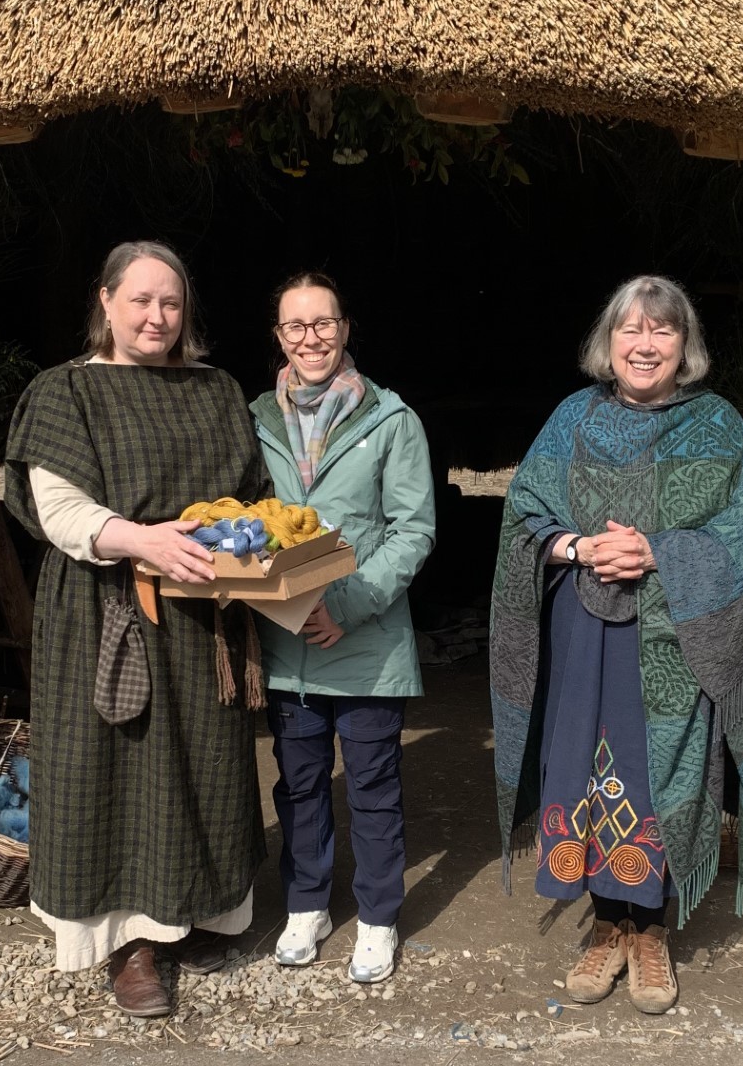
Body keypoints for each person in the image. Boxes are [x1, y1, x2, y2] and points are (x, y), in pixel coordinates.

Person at [489, 275, 743, 1014]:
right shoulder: (570, 421)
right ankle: (606, 927)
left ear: (686, 348)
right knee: (583, 764)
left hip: (674, 633)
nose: (645, 345)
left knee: (655, 769)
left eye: (663, 332)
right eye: (631, 331)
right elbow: (522, 517)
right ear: (607, 344)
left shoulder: (718, 428)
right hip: (585, 633)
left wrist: (658, 553)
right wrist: (582, 547)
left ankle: (650, 932)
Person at [3, 241, 270, 1018]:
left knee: (207, 764)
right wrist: (144, 538)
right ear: (107, 302)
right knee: (115, 771)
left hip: (203, 610)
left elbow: (250, 494)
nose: (157, 317)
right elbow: (59, 511)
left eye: (172, 303)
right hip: (103, 606)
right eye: (142, 300)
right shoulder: (64, 393)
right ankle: (130, 943)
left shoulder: (215, 389)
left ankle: (204, 911)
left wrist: (247, 547)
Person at [248, 271, 436, 985]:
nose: (310, 338)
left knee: (372, 785)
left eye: (323, 323)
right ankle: (306, 905)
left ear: (345, 329)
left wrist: (348, 604)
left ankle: (380, 916)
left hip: (366, 644)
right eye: (295, 326)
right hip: (286, 642)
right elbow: (241, 519)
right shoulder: (256, 419)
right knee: (296, 783)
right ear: (279, 337)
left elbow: (413, 531)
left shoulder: (392, 420)